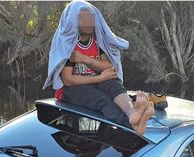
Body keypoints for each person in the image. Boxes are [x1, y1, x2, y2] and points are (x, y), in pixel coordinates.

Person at [43, 1, 155, 136]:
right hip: (71, 91)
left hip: (95, 83)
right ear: (74, 21)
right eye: (83, 19)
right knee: (102, 100)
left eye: (90, 18)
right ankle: (132, 127)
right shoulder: (69, 43)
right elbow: (68, 80)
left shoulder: (97, 40)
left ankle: (132, 112)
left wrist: (84, 59)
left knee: (114, 85)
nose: (88, 22)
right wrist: (100, 77)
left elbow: (109, 67)